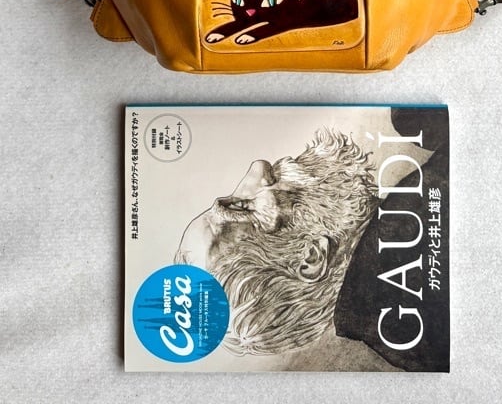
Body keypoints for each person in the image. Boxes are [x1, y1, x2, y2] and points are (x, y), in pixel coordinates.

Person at [175, 111, 444, 362]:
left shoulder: (403, 338)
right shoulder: (427, 214)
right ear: (310, 258)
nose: (259, 167)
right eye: (242, 206)